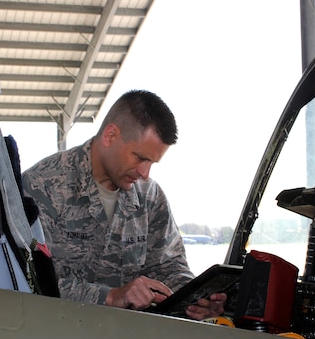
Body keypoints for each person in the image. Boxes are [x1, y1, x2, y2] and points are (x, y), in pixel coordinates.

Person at [21, 89, 225, 320]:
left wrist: (195, 298)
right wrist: (111, 297)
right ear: (110, 136)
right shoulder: (42, 185)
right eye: (140, 158)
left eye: (152, 162)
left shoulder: (149, 196)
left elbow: (168, 267)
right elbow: (28, 281)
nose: (145, 173)